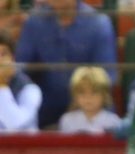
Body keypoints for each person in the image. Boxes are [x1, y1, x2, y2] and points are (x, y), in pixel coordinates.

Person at [14, 0, 116, 129]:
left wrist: (84, 100)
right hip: (44, 110)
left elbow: (106, 77)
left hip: (89, 109)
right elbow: (22, 69)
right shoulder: (34, 22)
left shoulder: (99, 23)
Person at [58, 65, 122, 133]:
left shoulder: (113, 121)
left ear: (104, 95)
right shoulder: (67, 120)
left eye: (94, 92)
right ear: (75, 96)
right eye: (82, 92)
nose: (88, 97)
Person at [0, 29, 40, 131]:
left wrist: (2, 85)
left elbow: (15, 126)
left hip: (22, 146)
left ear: (12, 59)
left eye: (3, 55)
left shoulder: (30, 90)